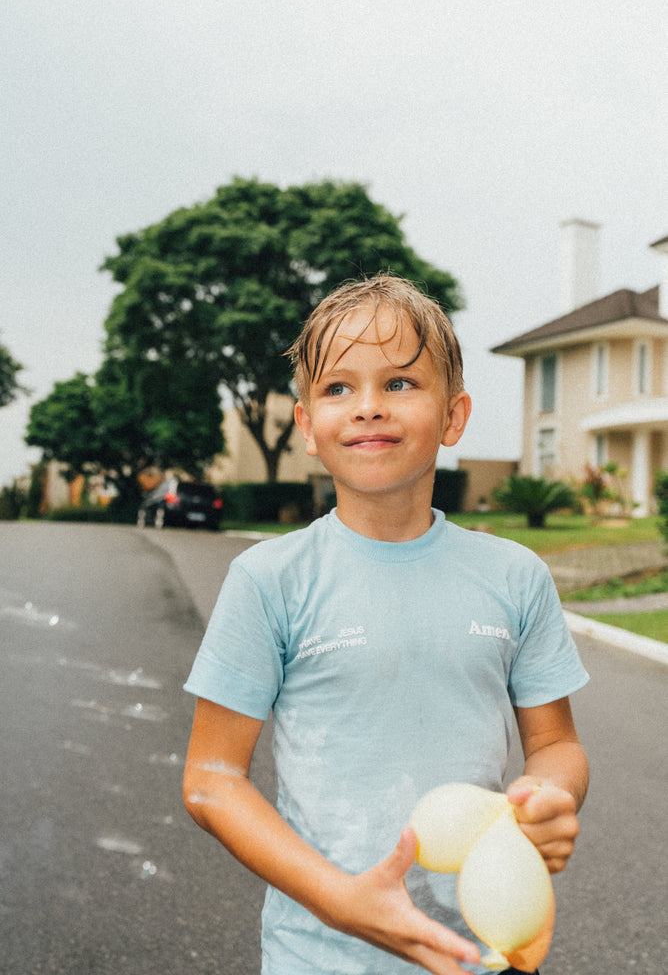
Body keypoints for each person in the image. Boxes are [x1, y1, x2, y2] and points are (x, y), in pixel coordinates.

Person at [182, 275, 589, 975]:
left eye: (400, 383)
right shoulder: (269, 579)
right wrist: (340, 900)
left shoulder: (515, 575)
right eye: (338, 388)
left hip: (488, 949)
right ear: (307, 426)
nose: (368, 408)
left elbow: (556, 745)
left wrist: (550, 795)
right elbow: (212, 777)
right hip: (319, 954)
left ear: (454, 417)